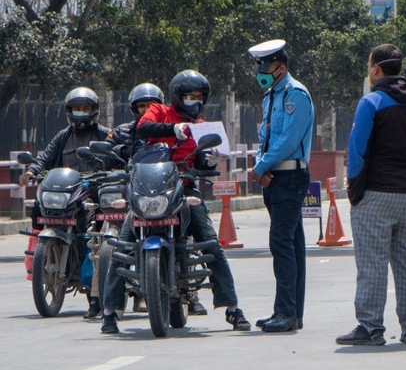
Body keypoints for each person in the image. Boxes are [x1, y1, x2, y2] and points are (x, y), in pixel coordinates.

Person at [101, 70, 250, 333]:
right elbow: (143, 128)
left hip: (185, 189)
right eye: (188, 95)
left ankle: (232, 309)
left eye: (198, 96)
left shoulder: (203, 127)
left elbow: (202, 162)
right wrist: (174, 129)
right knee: (122, 246)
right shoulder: (158, 111)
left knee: (211, 244)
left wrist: (209, 159)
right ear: (176, 97)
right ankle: (110, 312)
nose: (193, 100)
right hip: (148, 189)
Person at [336, 44, 406, 346]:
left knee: (372, 263)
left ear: (377, 68)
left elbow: (357, 152)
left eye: (369, 65)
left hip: (376, 195)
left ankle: (370, 327)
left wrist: (355, 193)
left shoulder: (371, 103)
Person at [18, 87, 113, 318]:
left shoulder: (106, 135)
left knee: (96, 241)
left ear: (94, 110)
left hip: (95, 195)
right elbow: (45, 158)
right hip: (67, 195)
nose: (81, 113)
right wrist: (32, 171)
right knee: (41, 206)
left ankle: (95, 298)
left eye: (86, 108)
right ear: (69, 111)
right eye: (76, 109)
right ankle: (48, 250)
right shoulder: (63, 136)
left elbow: (119, 156)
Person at [249, 39, 314, 333]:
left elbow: (288, 140)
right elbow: (265, 135)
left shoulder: (295, 95)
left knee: (281, 244)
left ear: (282, 67)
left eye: (267, 67)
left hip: (289, 177)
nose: (262, 72)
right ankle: (291, 312)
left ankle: (286, 313)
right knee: (293, 245)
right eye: (260, 67)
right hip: (274, 177)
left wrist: (262, 166)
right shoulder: (270, 96)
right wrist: (261, 164)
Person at [102, 83, 166, 315]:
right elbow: (106, 156)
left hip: (164, 194)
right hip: (135, 196)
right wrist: (113, 155)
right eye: (141, 106)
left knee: (192, 234)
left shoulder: (169, 128)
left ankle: (192, 295)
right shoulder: (122, 132)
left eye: (151, 105)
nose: (146, 109)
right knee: (120, 250)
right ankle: (110, 310)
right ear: (134, 108)